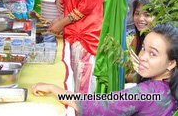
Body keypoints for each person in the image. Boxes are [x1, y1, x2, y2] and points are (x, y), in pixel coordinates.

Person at [32, 23, 178, 115]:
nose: (142, 56)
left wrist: (55, 89)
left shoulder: (148, 92)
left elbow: (100, 105)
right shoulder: (168, 88)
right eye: (143, 48)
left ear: (171, 63)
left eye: (152, 53)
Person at [126, 0, 156, 82]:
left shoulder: (163, 42)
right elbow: (128, 74)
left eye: (146, 15)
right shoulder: (135, 41)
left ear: (158, 18)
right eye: (137, 14)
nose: (140, 19)